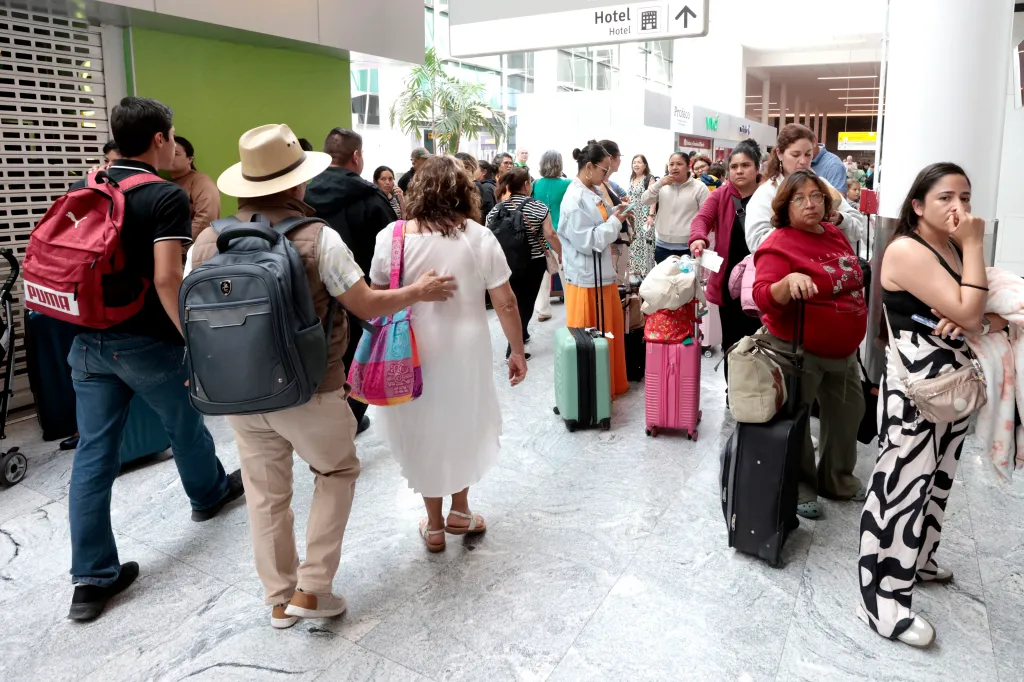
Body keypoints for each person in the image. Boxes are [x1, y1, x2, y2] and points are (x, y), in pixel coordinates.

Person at [188, 123, 458, 628]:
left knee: (266, 494)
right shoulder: (318, 238)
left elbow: (193, 317)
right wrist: (417, 292)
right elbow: (367, 305)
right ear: (295, 184)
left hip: (237, 393)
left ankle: (277, 599)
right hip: (310, 387)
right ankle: (313, 588)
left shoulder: (206, 241)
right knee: (336, 471)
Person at [64, 97, 244, 622]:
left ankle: (91, 581)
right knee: (184, 421)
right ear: (161, 138)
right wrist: (190, 336)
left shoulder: (86, 187)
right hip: (145, 341)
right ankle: (208, 494)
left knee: (94, 455)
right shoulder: (163, 196)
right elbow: (168, 277)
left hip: (86, 341)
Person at [859, 162, 1008, 648]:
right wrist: (974, 256)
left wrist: (979, 317)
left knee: (937, 483)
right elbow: (969, 309)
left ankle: (918, 560)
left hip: (952, 389)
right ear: (918, 206)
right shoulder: (906, 249)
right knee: (900, 489)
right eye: (946, 197)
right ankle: (882, 598)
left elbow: (983, 310)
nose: (960, 208)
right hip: (917, 397)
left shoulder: (948, 249)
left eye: (965, 197)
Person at [368, 155, 528, 552]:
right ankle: (460, 510)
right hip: (466, 346)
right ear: (464, 191)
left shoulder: (393, 236)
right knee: (462, 422)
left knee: (422, 427)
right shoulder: (477, 235)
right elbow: (505, 302)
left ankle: (435, 525)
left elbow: (375, 295)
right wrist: (518, 351)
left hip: (412, 349)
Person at [752, 170, 868, 520]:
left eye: (816, 196)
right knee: (798, 422)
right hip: (799, 350)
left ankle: (836, 479)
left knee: (848, 415)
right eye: (799, 198)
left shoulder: (833, 233)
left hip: (844, 350)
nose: (810, 204)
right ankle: (802, 487)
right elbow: (762, 297)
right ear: (785, 207)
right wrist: (786, 284)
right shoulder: (777, 243)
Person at [305, 128, 398, 435]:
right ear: (356, 156)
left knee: (323, 361)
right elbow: (390, 248)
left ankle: (321, 420)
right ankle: (349, 419)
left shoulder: (302, 192)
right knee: (361, 358)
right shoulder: (371, 198)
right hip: (361, 296)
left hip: (310, 295)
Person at [558, 142, 631, 398]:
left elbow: (599, 218)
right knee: (592, 336)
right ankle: (593, 392)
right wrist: (615, 221)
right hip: (587, 280)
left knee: (607, 334)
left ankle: (607, 384)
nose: (607, 176)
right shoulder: (574, 199)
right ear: (589, 167)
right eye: (604, 170)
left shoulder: (593, 190)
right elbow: (588, 241)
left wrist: (615, 212)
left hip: (602, 276)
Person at [689, 140, 763, 381]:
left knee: (760, 339)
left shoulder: (770, 195)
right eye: (734, 166)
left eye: (745, 165)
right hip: (730, 281)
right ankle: (736, 391)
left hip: (763, 278)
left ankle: (761, 390)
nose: (739, 171)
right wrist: (699, 238)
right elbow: (702, 219)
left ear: (757, 167)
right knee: (732, 338)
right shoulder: (721, 195)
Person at [746, 124, 865, 252]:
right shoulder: (766, 193)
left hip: (824, 265)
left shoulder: (823, 185)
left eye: (808, 154)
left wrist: (840, 219)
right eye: (795, 155)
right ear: (779, 153)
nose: (803, 161)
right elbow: (756, 242)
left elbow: (859, 227)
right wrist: (796, 227)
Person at [487, 167, 560, 357]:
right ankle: (514, 346)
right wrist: (561, 252)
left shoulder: (497, 209)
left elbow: (488, 235)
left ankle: (522, 332)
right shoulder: (538, 206)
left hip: (504, 263)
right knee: (526, 303)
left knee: (512, 300)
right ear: (527, 184)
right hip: (532, 263)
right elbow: (550, 234)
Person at [642, 152, 710, 264]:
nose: (674, 167)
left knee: (686, 281)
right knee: (663, 281)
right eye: (671, 164)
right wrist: (659, 184)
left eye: (679, 164)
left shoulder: (699, 188)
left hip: (688, 247)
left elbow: (706, 217)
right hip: (662, 245)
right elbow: (645, 200)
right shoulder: (662, 185)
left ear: (688, 166)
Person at [532, 150, 572, 321]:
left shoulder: (535, 184)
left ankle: (543, 310)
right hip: (562, 235)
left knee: (542, 275)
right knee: (567, 275)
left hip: (541, 235)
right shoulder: (567, 184)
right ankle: (572, 310)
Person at [169, 135, 221, 241]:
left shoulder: (200, 181)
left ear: (190, 159)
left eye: (176, 154)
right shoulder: (166, 183)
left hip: (192, 251)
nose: (170, 157)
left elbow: (206, 217)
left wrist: (179, 242)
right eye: (167, 153)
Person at [626, 153, 656, 277]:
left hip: (644, 215)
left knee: (645, 241)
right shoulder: (631, 179)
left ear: (645, 165)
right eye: (634, 162)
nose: (636, 165)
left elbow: (653, 198)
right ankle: (636, 270)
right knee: (634, 242)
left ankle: (647, 271)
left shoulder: (649, 178)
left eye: (639, 162)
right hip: (633, 216)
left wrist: (651, 215)